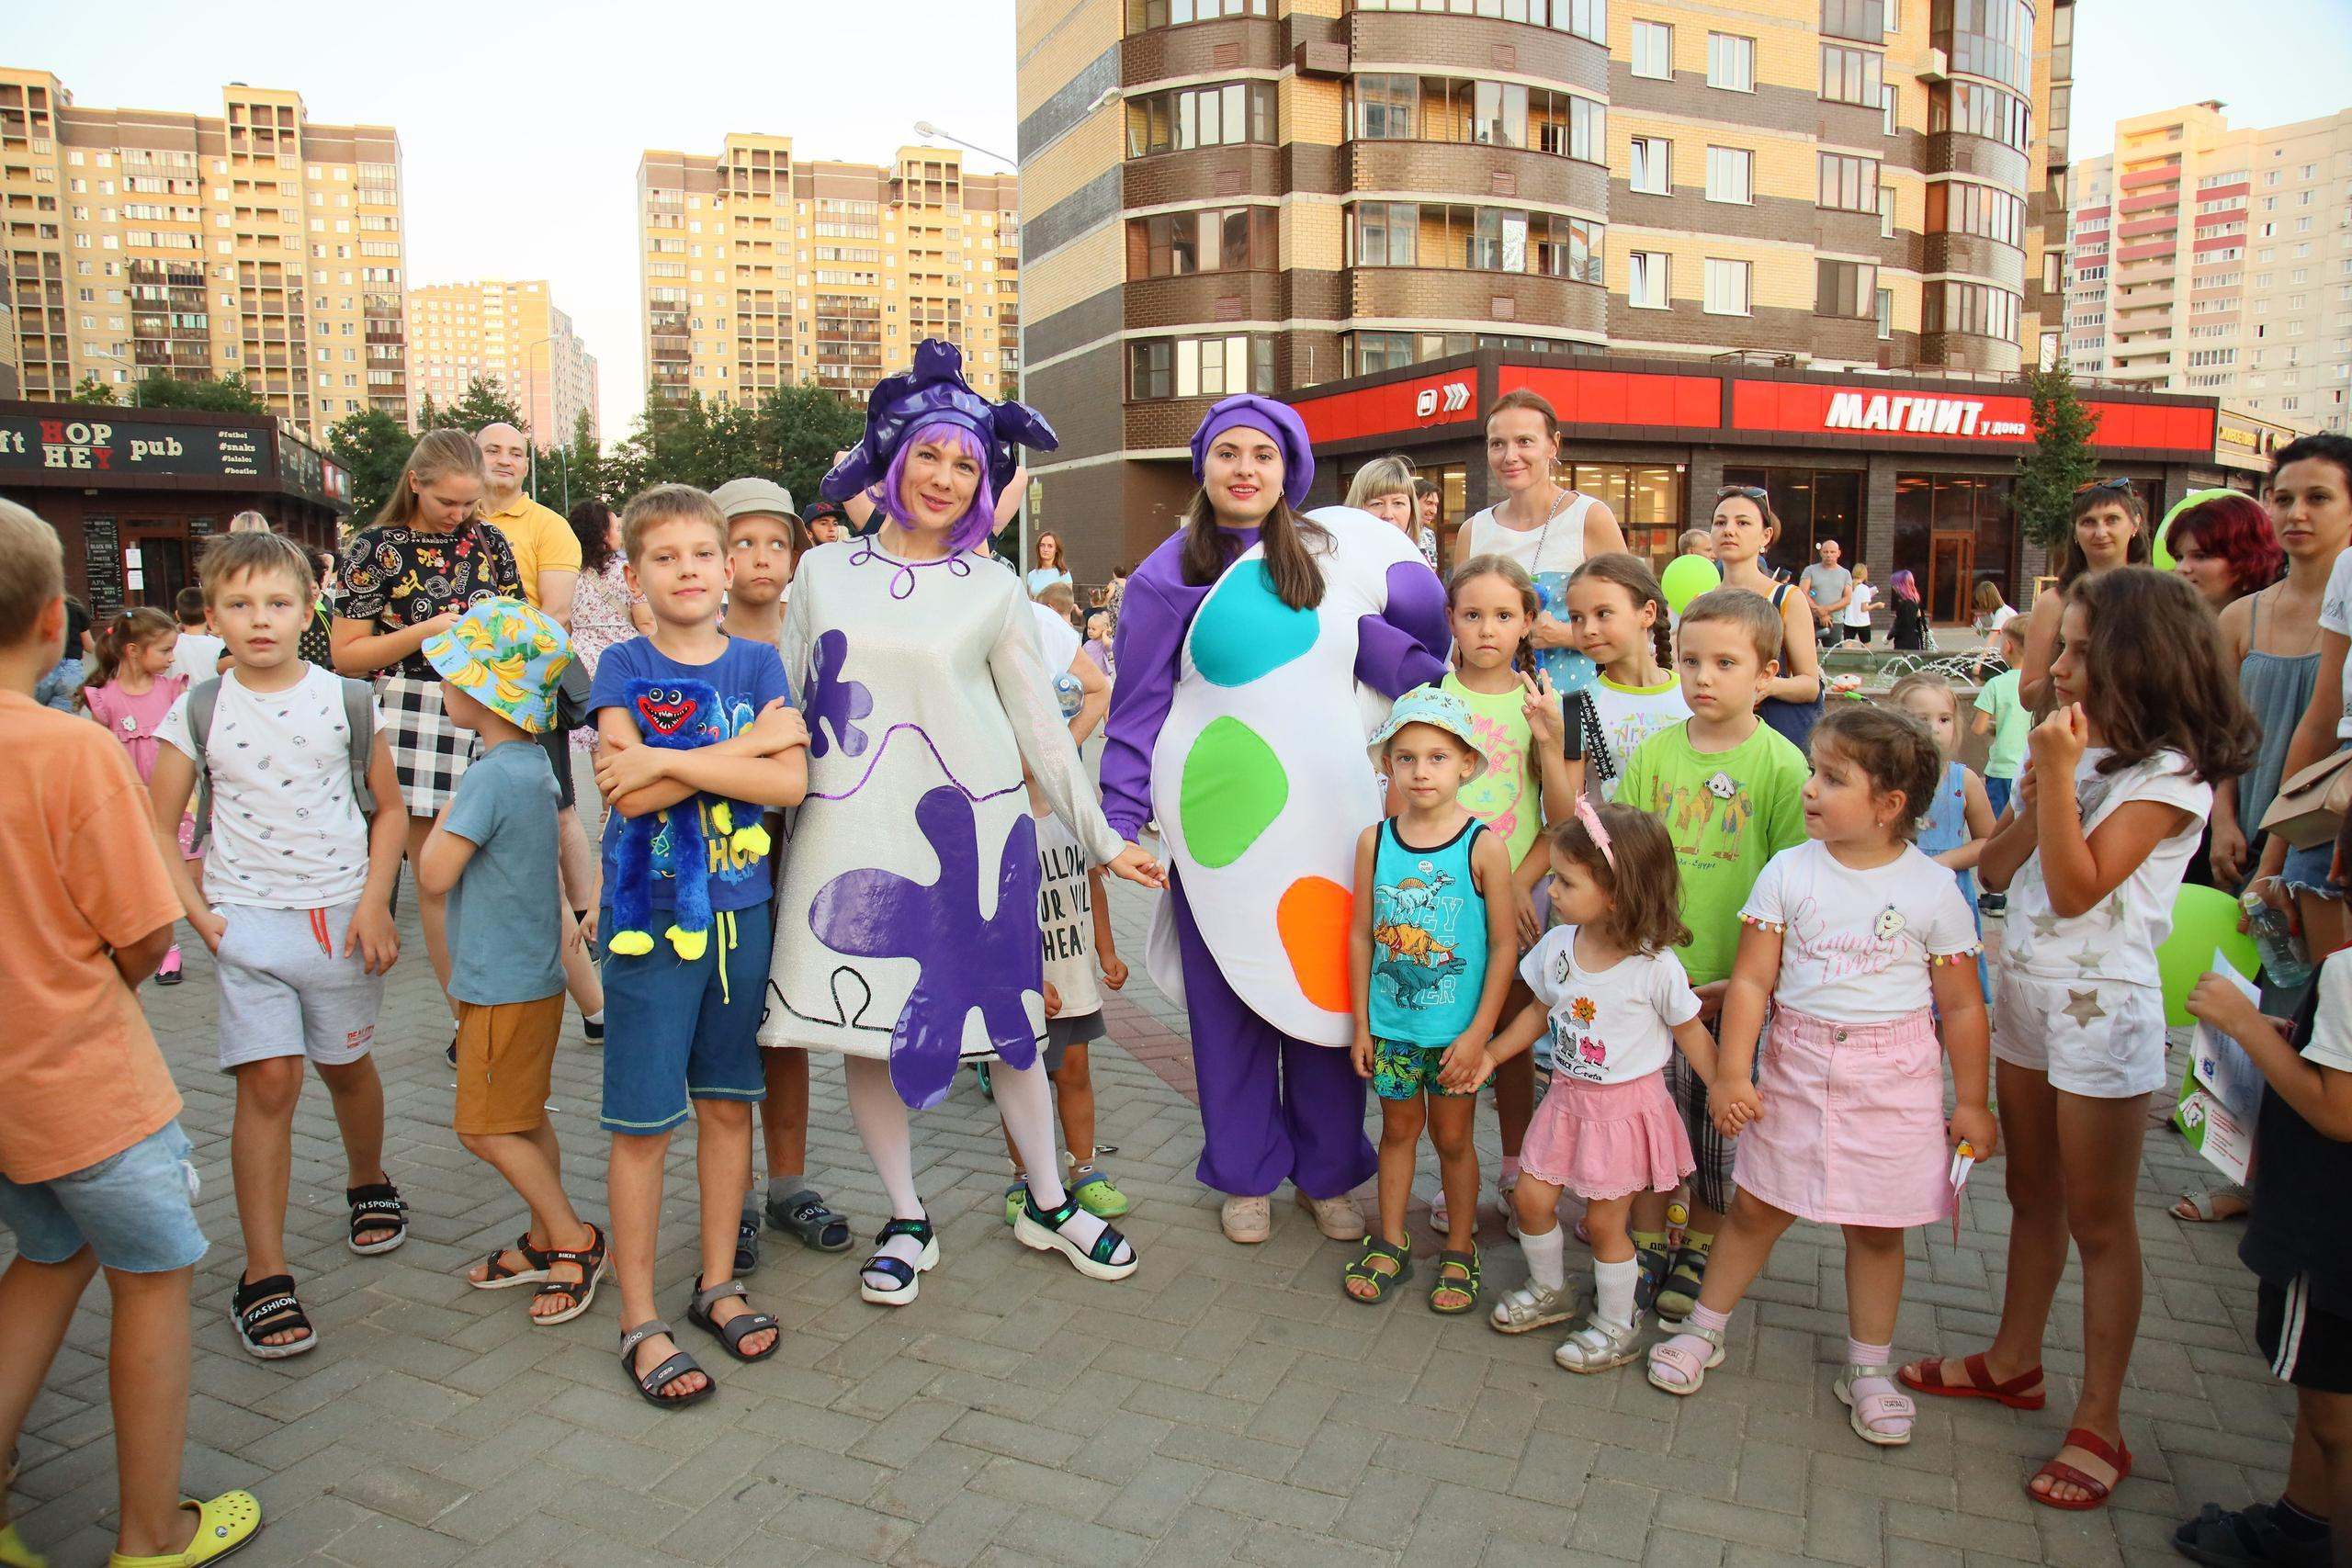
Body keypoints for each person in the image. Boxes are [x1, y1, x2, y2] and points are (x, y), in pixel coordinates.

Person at [760, 342, 1161, 1311]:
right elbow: (782, 708)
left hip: (975, 837)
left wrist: (1103, 840)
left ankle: (1049, 1201)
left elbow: (1040, 728)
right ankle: (906, 1215)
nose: (946, 478)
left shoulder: (993, 588)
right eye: (932, 456)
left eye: (968, 465)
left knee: (1014, 1029)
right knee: (866, 1034)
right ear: (896, 459)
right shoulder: (819, 575)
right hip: (847, 832)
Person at [1901, 568, 2258, 1509]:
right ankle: (2014, 1360)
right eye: (2058, 648)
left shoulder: (2171, 775)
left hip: (2102, 1014)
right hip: (2023, 992)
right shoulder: (2082, 753)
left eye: (2078, 651)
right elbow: (2010, 861)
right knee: (2029, 1191)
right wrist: (2022, 797)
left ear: (2140, 660)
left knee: (2099, 1221)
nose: (2055, 669)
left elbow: (2076, 886)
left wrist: (2055, 779)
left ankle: (2099, 1418)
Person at [1100, 390, 1448, 1245]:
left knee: (1329, 1001)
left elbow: (1399, 657)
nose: (1245, 469)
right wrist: (1116, 819)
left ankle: (1329, 1173)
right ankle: (1246, 1172)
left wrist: (1465, 657)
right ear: (1204, 468)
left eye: (1262, 454)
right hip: (1216, 832)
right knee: (1230, 1009)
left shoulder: (1329, 561)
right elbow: (1136, 707)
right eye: (1229, 453)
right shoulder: (1163, 576)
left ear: (1288, 470)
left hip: (1331, 822)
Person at [0, 497, 263, 1568]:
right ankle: (150, 1536)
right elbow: (139, 925)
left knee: (50, 1252)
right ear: (56, 620)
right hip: (82, 1079)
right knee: (152, 1281)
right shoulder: (63, 750)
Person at [1649, 705, 1993, 1449]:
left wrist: (1973, 1102)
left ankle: (1869, 1368)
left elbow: (1963, 1006)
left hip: (1893, 1080)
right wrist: (1731, 1073)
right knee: (1756, 1209)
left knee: (1877, 1230)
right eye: (1812, 769)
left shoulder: (1932, 890)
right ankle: (1705, 1328)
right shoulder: (1787, 871)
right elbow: (1749, 984)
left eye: (1832, 778)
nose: (1809, 788)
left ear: (1889, 805)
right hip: (1796, 1069)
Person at [147, 529, 406, 1359]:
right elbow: (157, 825)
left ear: (307, 610)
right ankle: (263, 1272)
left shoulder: (346, 697)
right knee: (267, 1084)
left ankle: (368, 1178)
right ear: (212, 613)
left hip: (339, 920)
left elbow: (390, 811)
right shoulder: (197, 708)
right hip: (245, 923)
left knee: (344, 1067)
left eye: (278, 603)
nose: (260, 620)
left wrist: (375, 902)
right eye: (239, 604)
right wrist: (196, 910)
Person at [589, 483, 810, 1407]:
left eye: (700, 555)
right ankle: (640, 1319)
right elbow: (624, 796)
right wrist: (741, 755)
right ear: (634, 576)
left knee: (728, 1107)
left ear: (727, 570)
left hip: (740, 915)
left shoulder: (758, 665)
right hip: (650, 923)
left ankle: (716, 1281)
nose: (686, 570)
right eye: (664, 557)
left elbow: (791, 782)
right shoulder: (620, 667)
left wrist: (665, 757)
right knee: (645, 1125)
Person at [1614, 588, 1810, 1321]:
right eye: (1689, 659)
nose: (1702, 677)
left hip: (1734, 990)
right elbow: (1624, 863)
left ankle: (1698, 1242)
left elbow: (1798, 891)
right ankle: (1641, 1241)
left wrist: (1750, 983)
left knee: (1716, 1132)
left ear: (1765, 675)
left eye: (1725, 663)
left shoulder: (1784, 767)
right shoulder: (1655, 754)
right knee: (1645, 1119)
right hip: (1651, 980)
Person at [418, 598, 608, 1328]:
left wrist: (439, 820)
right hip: (529, 976)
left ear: (482, 688)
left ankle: (571, 1237)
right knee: (521, 1117)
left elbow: (434, 876)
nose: (444, 684)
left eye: (453, 672)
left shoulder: (489, 777)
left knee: (484, 1127)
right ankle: (541, 1236)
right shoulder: (533, 766)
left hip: (499, 982)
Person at [1485, 801, 1718, 1371]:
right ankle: (1551, 1290)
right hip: (1565, 1100)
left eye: (1564, 881)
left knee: (1607, 1223)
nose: (1552, 892)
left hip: (1624, 1112)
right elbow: (1539, 1011)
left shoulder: (1654, 966)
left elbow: (1691, 1033)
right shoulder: (1560, 946)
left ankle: (1617, 1323)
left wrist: (1725, 1087)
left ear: (1616, 890)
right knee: (1534, 1199)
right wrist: (1492, 1051)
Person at [2170, 873, 2352, 1568]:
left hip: (2329, 1234)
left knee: (2337, 1417)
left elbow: (2338, 1110)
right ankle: (2303, 1523)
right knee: (2328, 1391)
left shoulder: (2346, 972)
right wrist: (2295, 1037)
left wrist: (2244, 1024)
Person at [332, 430, 523, 1035]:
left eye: (471, 503)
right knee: (438, 878)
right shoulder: (372, 546)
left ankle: (510, 1006)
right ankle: (465, 1021)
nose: (461, 516)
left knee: (500, 870)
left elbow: (517, 623)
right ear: (415, 483)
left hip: (489, 705)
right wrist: (430, 631)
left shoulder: (489, 539)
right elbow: (346, 655)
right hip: (413, 707)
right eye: (449, 503)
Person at [708, 477, 846, 1268]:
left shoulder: (819, 634)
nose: (762, 558)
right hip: (722, 869)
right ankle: (734, 1196)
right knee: (729, 1032)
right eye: (741, 542)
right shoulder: (694, 638)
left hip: (802, 857)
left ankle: (787, 1180)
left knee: (785, 1028)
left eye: (776, 541)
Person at [1345, 687, 1515, 1313]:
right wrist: (1362, 1023)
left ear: (1466, 763)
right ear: (1386, 762)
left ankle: (1461, 1248)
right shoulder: (1375, 842)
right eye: (1407, 756)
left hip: (1454, 1037)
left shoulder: (1482, 846)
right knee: (1396, 1132)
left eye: (1438, 757)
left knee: (1452, 1139)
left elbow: (1503, 948)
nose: (1421, 771)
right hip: (1391, 1029)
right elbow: (1362, 934)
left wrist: (1479, 1036)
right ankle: (1390, 1240)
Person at [1437, 556, 1577, 1234]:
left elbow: (1563, 816)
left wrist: (1519, 885)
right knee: (1448, 1032)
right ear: (1451, 621)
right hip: (1443, 898)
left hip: (1520, 901)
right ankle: (1453, 1166)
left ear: (1528, 622)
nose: (1487, 629)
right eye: (1472, 614)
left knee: (1514, 1037)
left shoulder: (1549, 701)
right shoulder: (1431, 699)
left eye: (1502, 615)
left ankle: (1518, 1162)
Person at [998, 575, 1131, 1228]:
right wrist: (1024, 973)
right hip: (1021, 976)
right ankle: (1024, 1175)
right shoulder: (998, 818)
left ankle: (1084, 1167)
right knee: (1020, 1073)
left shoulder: (1076, 811)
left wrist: (1107, 949)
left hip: (1074, 969)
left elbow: (1095, 881)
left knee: (1074, 1071)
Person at [475, 423, 602, 1049]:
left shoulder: (546, 524)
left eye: (515, 452)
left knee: (559, 812)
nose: (504, 461)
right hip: (462, 691)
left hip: (526, 681)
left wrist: (483, 650)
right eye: (492, 450)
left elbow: (555, 611)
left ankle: (586, 923)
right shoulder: (457, 516)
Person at [2249, 435, 2352, 971]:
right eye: (2284, 498)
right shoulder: (2350, 572)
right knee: (2330, 996)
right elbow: (2322, 719)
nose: (2297, 513)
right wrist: (2276, 857)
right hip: (2334, 806)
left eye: (2319, 497)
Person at [1456, 390, 1628, 696]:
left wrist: (1563, 634)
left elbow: (1630, 624)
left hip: (1575, 707)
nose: (1510, 456)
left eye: (1524, 441)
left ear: (1553, 445)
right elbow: (1459, 635)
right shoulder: (1473, 531)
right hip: (1492, 712)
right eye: (1498, 444)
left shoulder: (1589, 518)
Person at [79, 607, 192, 985]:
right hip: (132, 803)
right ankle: (167, 949)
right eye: (164, 651)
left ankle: (221, 934)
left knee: (193, 872)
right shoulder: (105, 698)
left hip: (178, 800)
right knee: (150, 878)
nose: (172, 658)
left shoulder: (172, 690)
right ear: (132, 651)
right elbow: (98, 750)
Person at [1893, 672, 1997, 996]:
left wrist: (1946, 861)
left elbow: (1989, 841)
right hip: (1898, 897)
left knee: (1948, 994)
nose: (1935, 728)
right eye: (1922, 719)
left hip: (1949, 895)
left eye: (1944, 719)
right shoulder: (1887, 780)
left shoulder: (1963, 781)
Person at [2018, 478, 2150, 710]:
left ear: (2135, 524)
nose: (2101, 532)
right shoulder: (2053, 602)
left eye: (2112, 520)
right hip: (2072, 736)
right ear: (2076, 532)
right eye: (2089, 522)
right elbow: (2028, 696)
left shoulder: (2154, 596)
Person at [1711, 486, 1824, 750]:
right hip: (1714, 733)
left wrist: (1766, 685)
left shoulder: (1787, 598)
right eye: (1720, 522)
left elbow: (1809, 685)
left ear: (1766, 535)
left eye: (1743, 523)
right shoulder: (1701, 601)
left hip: (1771, 736)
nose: (1729, 530)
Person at [1567, 553, 1689, 792]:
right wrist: (1551, 746)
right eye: (1576, 618)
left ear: (1648, 613)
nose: (1588, 629)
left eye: (1603, 613)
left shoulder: (1692, 696)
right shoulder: (1572, 709)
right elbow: (1563, 815)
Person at [564, 498, 651, 759]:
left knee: (598, 752)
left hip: (583, 665)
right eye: (616, 529)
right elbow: (645, 621)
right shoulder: (626, 572)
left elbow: (566, 622)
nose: (620, 534)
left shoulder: (569, 573)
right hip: (624, 659)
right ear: (603, 535)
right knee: (624, 747)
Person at [2172, 491, 2284, 615]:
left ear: (2248, 561)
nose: (2182, 568)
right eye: (2179, 557)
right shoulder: (2167, 624)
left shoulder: (2274, 626)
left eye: (2200, 556)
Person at [1972, 617, 2031, 822]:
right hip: (2029, 767)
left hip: (2001, 769)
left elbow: (1978, 729)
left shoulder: (1995, 684)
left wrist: (1994, 727)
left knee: (1997, 825)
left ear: (2007, 646)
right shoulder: (2039, 684)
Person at [1348, 456, 1432, 570]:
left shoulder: (1420, 566)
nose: (1388, 515)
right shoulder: (1339, 565)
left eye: (1398, 503)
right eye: (1377, 504)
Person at [1800, 540, 1856, 649]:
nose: (1829, 555)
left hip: (1835, 621)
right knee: (1807, 652)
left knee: (1832, 656)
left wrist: (1826, 610)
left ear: (1838, 553)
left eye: (1832, 552)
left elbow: (1847, 598)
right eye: (1825, 552)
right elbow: (1802, 593)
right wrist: (1820, 613)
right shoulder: (1810, 570)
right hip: (1811, 620)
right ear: (1821, 553)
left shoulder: (1845, 574)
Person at [166, 587, 226, 685]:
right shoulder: (220, 645)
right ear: (210, 614)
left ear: (177, 615)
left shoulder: (169, 644)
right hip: (209, 698)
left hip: (176, 698)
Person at [1026, 529, 1074, 598]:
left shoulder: (1064, 574)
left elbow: (1068, 605)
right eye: (1042, 545)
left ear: (1056, 549)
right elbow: (1030, 602)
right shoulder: (1032, 575)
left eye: (1050, 546)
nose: (1045, 549)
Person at [1839, 561, 1876, 645]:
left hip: (1849, 621)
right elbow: (1864, 608)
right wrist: (1877, 605)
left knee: (1848, 646)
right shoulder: (1864, 588)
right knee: (1866, 648)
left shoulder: (1848, 587)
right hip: (1863, 622)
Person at [1890, 569, 1928, 651]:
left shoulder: (1905, 605)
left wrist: (1888, 637)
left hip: (1904, 644)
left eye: (1894, 584)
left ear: (1901, 586)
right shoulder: (1915, 600)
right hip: (1915, 641)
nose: (1893, 587)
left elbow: (1900, 626)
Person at [1415, 479, 1446, 570]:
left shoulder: (1429, 535)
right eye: (1429, 503)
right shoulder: (1398, 533)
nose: (1434, 511)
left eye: (1436, 505)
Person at [1081, 607, 1114, 679]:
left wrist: (1104, 633)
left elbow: (1107, 645)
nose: (1090, 631)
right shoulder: (1087, 644)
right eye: (1089, 628)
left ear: (1102, 630)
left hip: (1104, 675)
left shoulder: (1104, 642)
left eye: (1094, 629)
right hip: (1091, 674)